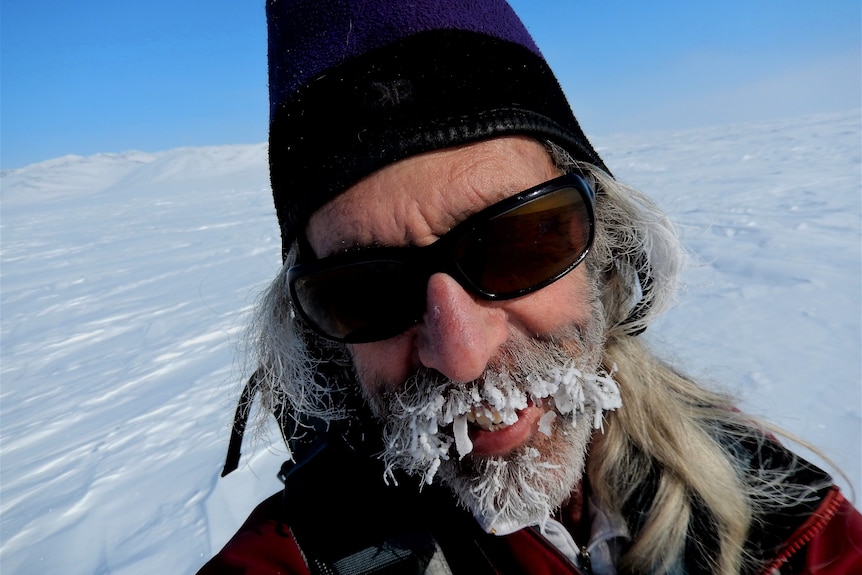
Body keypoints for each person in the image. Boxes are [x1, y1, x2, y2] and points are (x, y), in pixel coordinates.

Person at [198, 1, 862, 574]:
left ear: (603, 246)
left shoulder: (775, 505)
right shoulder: (303, 552)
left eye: (518, 242)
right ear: (319, 338)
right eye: (364, 290)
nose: (460, 353)